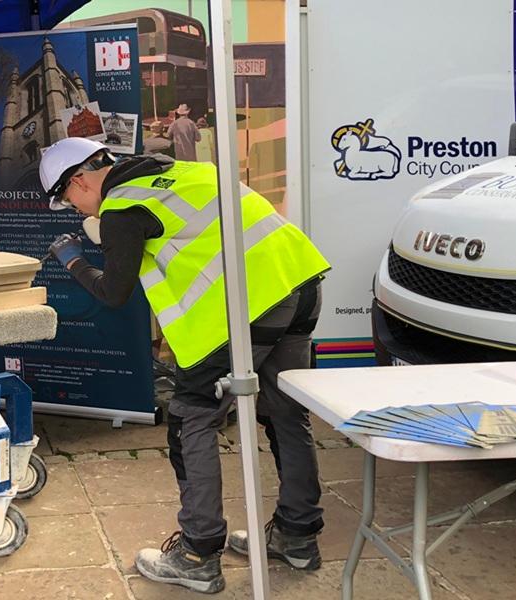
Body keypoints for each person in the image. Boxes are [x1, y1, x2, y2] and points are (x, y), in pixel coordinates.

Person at [39, 137, 331, 594]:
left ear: (78, 180)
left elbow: (114, 293)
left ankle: (197, 554)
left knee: (191, 420)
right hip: (298, 282)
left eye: (69, 200)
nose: (76, 210)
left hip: (246, 309)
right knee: (285, 414)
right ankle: (297, 537)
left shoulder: (121, 208)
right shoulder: (181, 172)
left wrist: (73, 260)